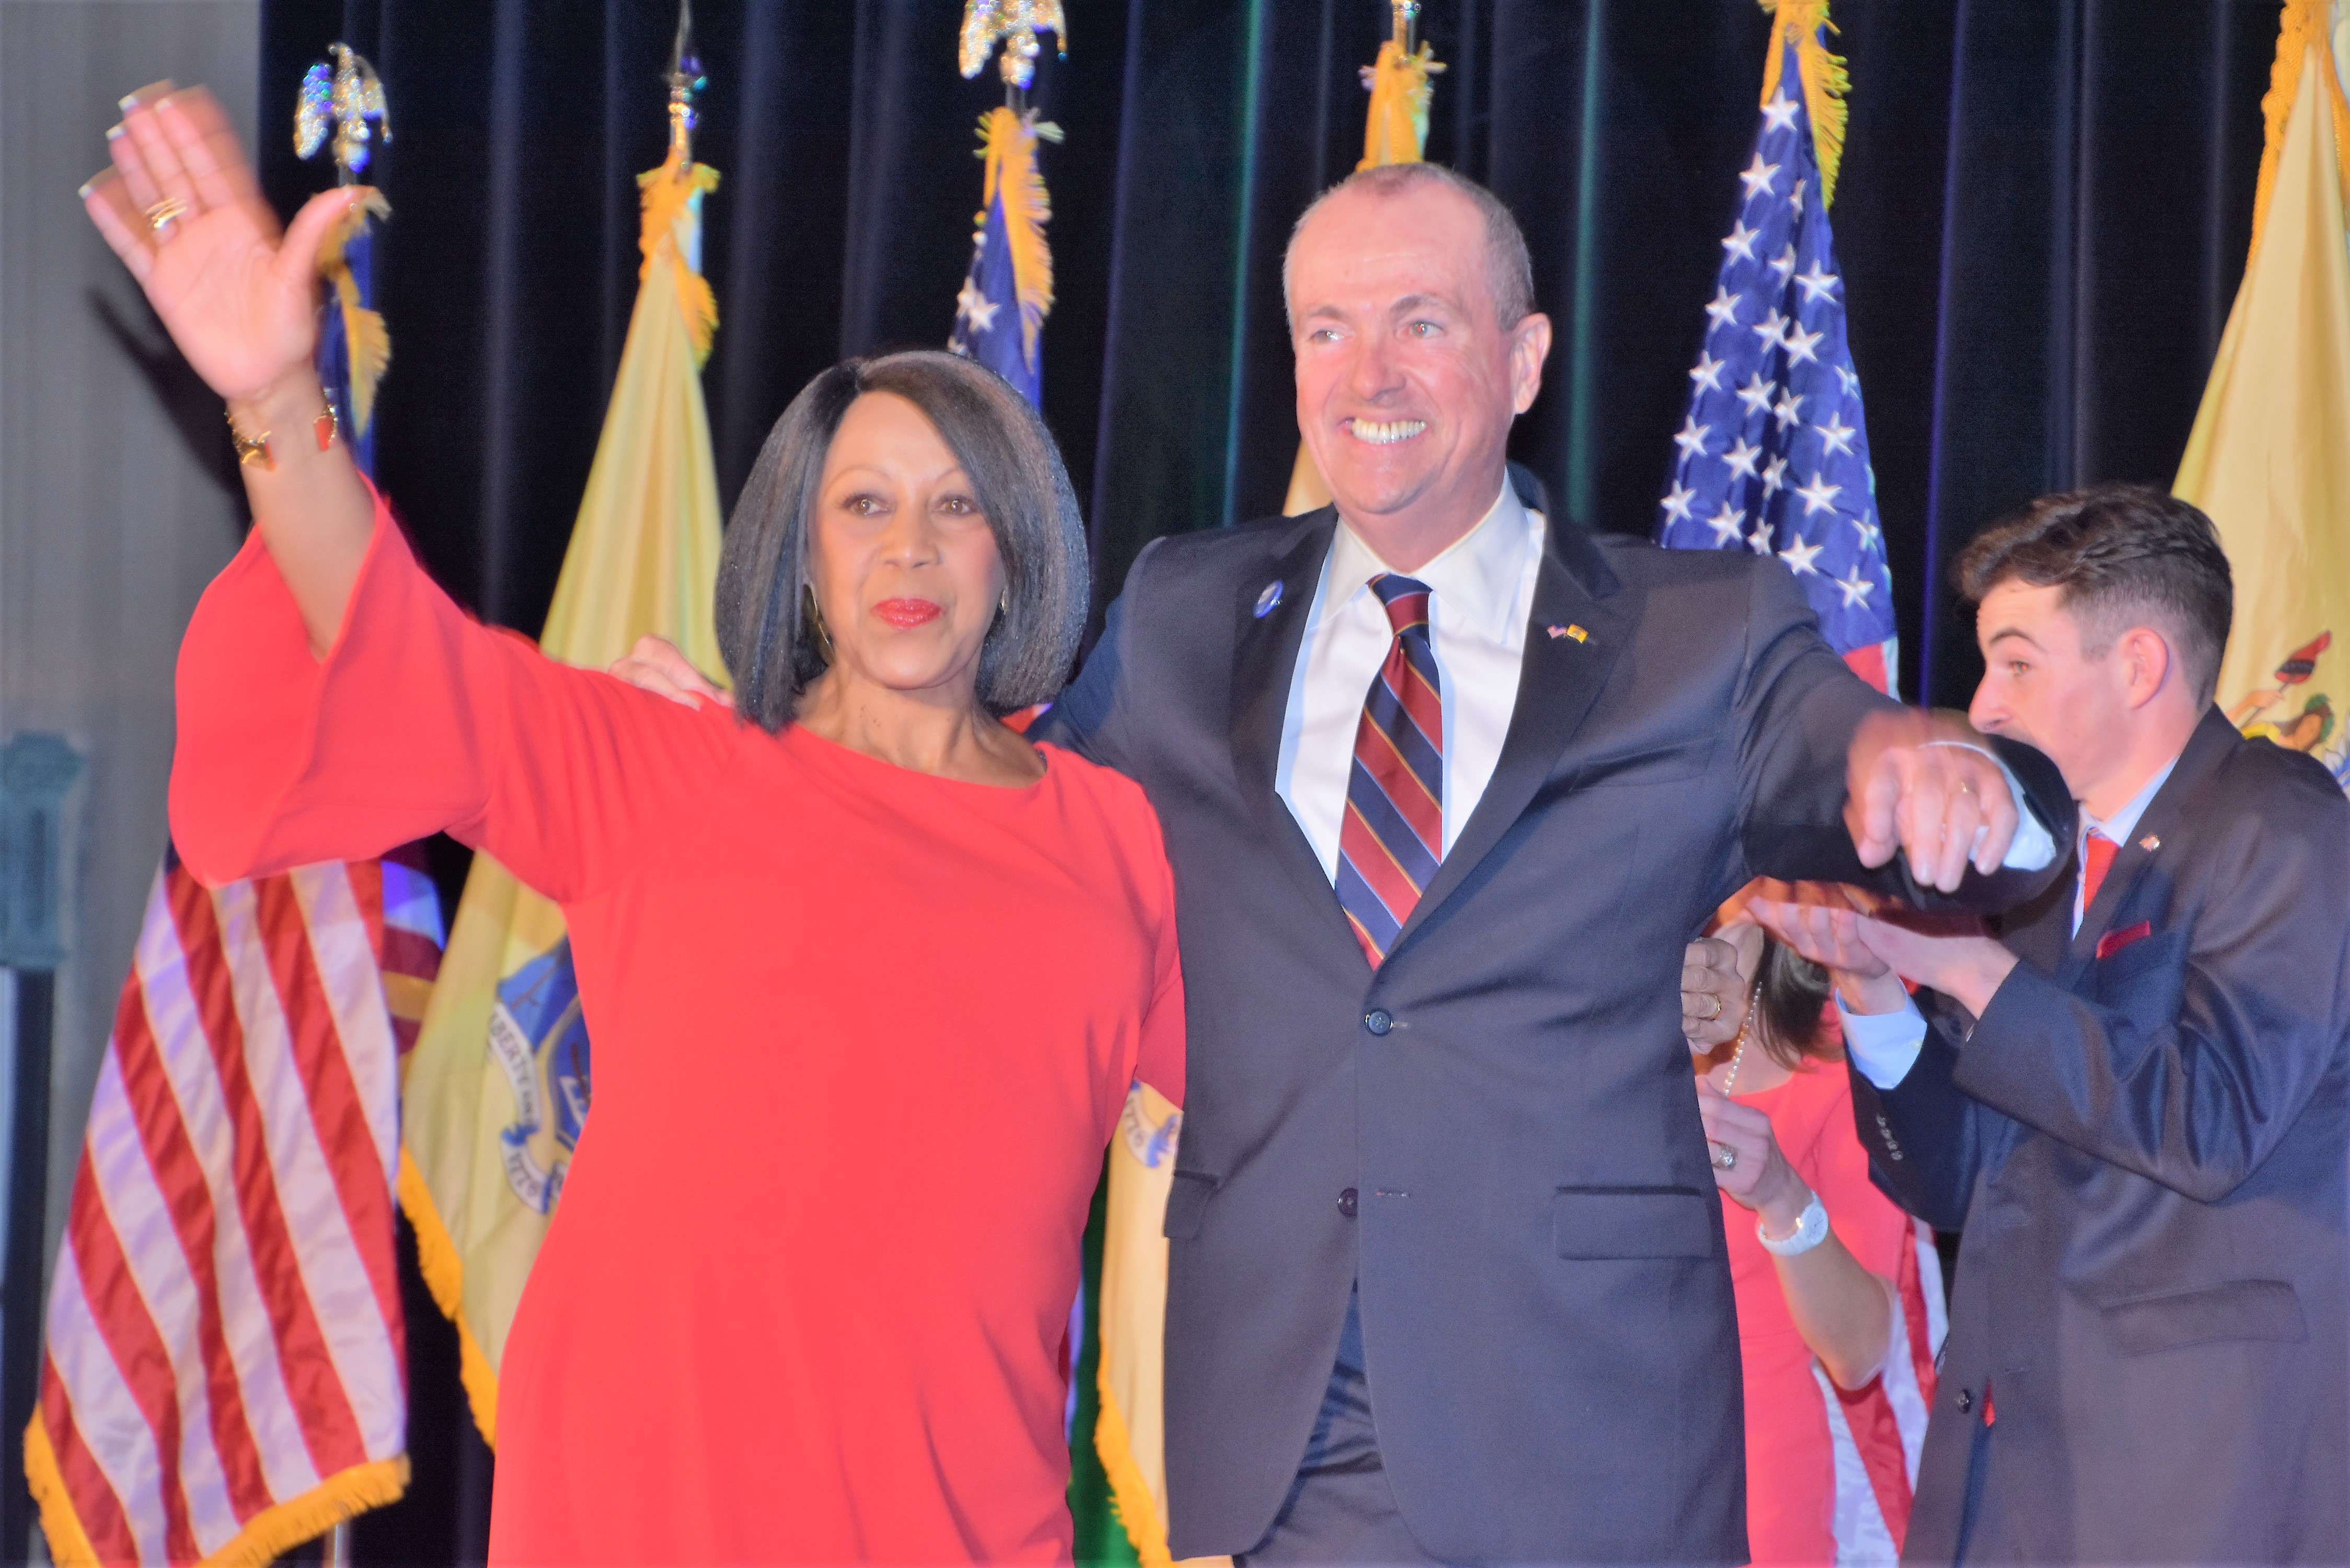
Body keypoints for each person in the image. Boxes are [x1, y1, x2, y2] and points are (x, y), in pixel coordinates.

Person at [624, 160, 2072, 1561]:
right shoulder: (1186, 610)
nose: (1367, 373)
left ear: (1522, 359)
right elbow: (991, 819)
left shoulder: (1698, 631)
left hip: (1591, 1423)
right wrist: (768, 765)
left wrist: (1960, 784)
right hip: (1298, 1421)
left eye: (1419, 322)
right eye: (1328, 329)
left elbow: (1861, 759)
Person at [84, 88, 1183, 1565]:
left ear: (1020, 548)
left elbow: (1302, 1114)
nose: (910, 548)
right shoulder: (667, 768)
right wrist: (277, 399)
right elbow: (395, 647)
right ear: (803, 556)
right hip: (648, 1511)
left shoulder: (1120, 843)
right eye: (863, 505)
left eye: (956, 506)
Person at [1757, 485, 2350, 1564]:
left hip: (2200, 1481)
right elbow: (1957, 1185)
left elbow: (2212, 1120)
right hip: (2016, 1475)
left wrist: (1973, 971)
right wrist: (1873, 989)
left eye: (2017, 663)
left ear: (2137, 666)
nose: (1983, 708)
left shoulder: (2281, 822)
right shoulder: (2040, 875)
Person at [1696, 907, 1940, 1564]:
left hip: (1756, 1494)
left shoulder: (1839, 1038)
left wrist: (1780, 1195)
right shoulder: (1577, 1019)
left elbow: (1860, 1350)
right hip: (1569, 1467)